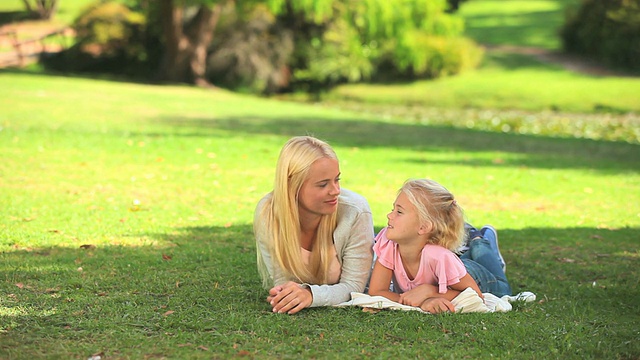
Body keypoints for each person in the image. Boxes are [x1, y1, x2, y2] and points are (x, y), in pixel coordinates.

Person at [254, 136, 374, 315]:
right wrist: (284, 295)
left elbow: (354, 286)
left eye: (337, 179)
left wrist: (310, 295)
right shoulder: (268, 214)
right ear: (292, 186)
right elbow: (282, 281)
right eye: (323, 184)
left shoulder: (355, 211)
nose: (335, 191)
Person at [368, 178, 511, 314]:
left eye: (399, 212)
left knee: (501, 286)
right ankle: (472, 243)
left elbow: (477, 297)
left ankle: (480, 239)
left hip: (476, 277)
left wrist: (431, 292)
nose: (389, 215)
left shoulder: (439, 257)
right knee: (463, 259)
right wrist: (421, 302)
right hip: (453, 271)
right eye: (393, 209)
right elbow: (377, 292)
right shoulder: (388, 243)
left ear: (424, 227)